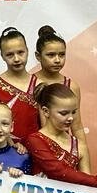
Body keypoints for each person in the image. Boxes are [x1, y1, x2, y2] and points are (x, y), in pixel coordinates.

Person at [33, 26, 90, 167]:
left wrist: (83, 159)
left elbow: (77, 126)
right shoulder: (29, 83)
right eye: (51, 55)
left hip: (62, 151)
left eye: (62, 55)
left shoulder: (71, 86)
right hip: (34, 149)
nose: (57, 60)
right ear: (38, 56)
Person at [0, 28, 39, 143]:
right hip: (3, 148)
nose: (16, 59)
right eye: (10, 54)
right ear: (2, 56)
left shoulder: (40, 85)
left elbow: (48, 126)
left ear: (27, 50)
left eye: (20, 52)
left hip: (36, 148)